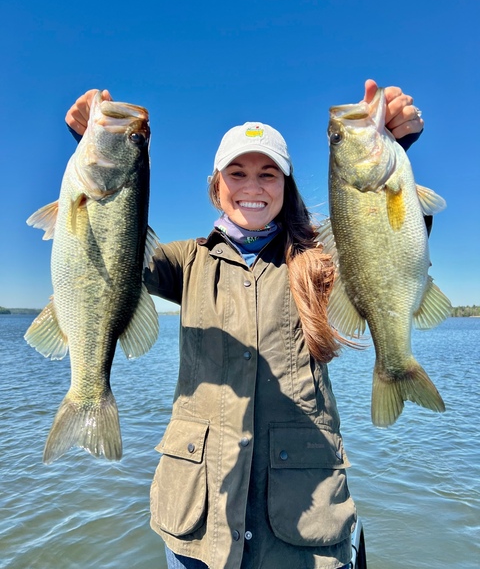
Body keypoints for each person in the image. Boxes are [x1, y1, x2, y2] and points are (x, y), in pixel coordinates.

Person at [66, 81, 424, 569]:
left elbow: (386, 253)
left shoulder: (319, 258)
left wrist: (397, 148)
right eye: (237, 172)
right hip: (198, 525)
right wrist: (96, 148)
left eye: (268, 174)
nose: (252, 186)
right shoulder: (185, 261)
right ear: (217, 186)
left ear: (287, 186)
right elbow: (110, 255)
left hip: (306, 529)